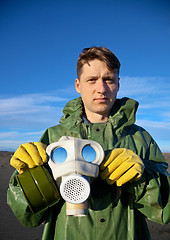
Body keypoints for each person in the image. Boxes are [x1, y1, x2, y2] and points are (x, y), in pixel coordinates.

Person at [7, 47, 170, 240]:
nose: (101, 89)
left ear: (118, 84)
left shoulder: (140, 138)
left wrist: (142, 178)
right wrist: (24, 178)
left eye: (108, 79)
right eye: (92, 80)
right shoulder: (53, 137)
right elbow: (28, 217)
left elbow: (164, 211)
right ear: (78, 85)